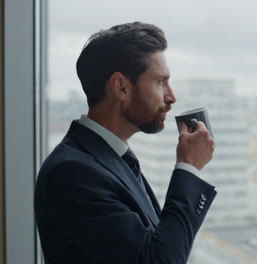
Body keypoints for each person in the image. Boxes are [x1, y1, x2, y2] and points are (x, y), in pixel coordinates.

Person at [34, 22, 217, 264]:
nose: (172, 97)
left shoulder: (113, 160)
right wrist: (188, 167)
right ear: (121, 86)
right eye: (161, 82)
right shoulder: (73, 173)